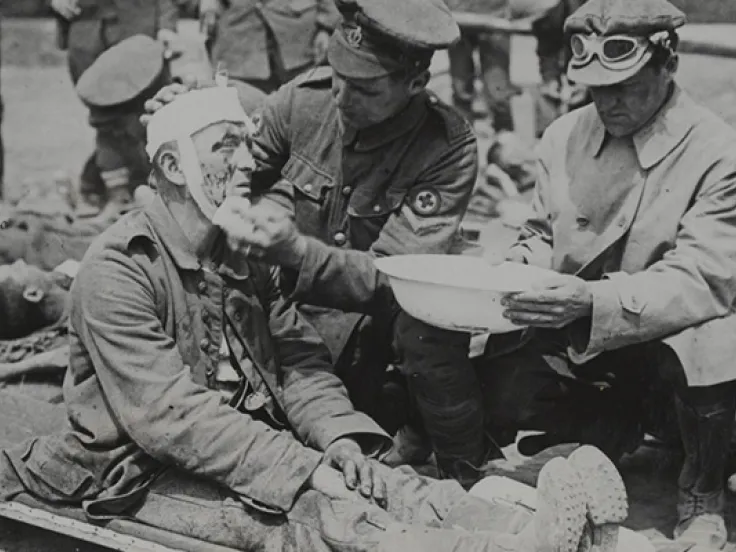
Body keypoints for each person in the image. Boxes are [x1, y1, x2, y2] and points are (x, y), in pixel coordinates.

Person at [0, 85, 627, 552]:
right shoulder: (120, 268)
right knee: (319, 520)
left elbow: (297, 358)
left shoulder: (240, 252)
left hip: (246, 444)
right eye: (226, 147)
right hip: (137, 468)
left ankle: (529, 523)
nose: (247, 161)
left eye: (247, 143)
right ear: (171, 168)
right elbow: (171, 418)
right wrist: (304, 464)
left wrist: (341, 437)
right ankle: (505, 547)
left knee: (378, 478)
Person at [146, 0, 491, 486]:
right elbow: (238, 171)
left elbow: (392, 279)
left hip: (382, 314)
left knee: (430, 332)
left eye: (366, 88)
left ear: (415, 84)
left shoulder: (447, 147)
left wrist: (296, 253)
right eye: (337, 74)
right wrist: (187, 125)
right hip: (300, 310)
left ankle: (464, 471)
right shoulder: (305, 100)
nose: (342, 97)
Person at [475, 0, 736, 548]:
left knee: (718, 336)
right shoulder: (564, 135)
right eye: (594, 88)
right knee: (494, 383)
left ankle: (703, 489)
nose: (607, 102)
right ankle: (608, 439)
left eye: (624, 86)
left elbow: (705, 278)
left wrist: (592, 301)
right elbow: (542, 234)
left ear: (668, 64)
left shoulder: (719, 151)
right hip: (590, 344)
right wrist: (516, 271)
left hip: (676, 349)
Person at [50, 0, 183, 214]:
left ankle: (140, 192)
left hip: (138, 29)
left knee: (150, 116)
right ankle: (114, 196)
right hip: (86, 31)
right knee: (103, 118)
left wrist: (167, 25)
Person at [199, 0, 340, 94]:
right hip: (240, 39)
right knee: (244, 110)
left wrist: (326, 27)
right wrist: (209, 8)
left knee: (307, 103)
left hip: (297, 35)